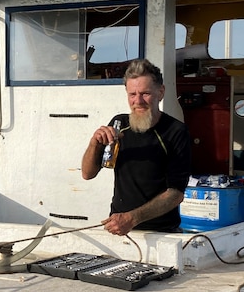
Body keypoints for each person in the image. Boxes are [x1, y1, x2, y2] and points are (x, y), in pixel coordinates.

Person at [82, 59, 191, 235]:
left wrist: (132, 218)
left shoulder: (175, 131)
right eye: (132, 94)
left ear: (160, 92)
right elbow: (87, 174)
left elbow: (175, 194)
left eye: (145, 93)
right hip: (118, 228)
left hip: (161, 232)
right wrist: (94, 142)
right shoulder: (119, 123)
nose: (138, 101)